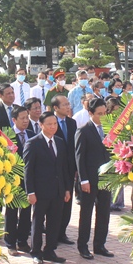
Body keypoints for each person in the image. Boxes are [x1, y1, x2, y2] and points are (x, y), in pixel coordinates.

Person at [23, 112, 73, 264]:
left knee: (55, 222)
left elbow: (63, 168)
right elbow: (28, 170)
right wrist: (30, 192)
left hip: (57, 191)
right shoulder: (33, 143)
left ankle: (50, 250)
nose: (53, 127)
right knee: (38, 222)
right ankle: (36, 252)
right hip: (40, 191)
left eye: (55, 124)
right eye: (49, 124)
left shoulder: (59, 142)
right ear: (41, 125)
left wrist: (66, 189)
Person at [75, 99, 114, 260]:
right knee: (86, 214)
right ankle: (83, 246)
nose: (103, 116)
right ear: (90, 113)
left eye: (105, 113)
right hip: (89, 180)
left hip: (106, 179)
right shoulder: (83, 131)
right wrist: (83, 180)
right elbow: (79, 157)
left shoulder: (109, 129)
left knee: (104, 212)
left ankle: (100, 245)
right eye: (99, 114)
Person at [5, 106, 34, 254]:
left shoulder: (31, 133)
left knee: (26, 211)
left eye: (27, 117)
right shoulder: (8, 136)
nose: (25, 121)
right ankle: (10, 243)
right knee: (12, 211)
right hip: (13, 179)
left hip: (29, 179)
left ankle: (22, 241)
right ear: (14, 120)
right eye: (22, 118)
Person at [50, 95, 77, 245]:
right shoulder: (50, 122)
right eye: (64, 104)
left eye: (68, 104)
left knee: (68, 200)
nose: (68, 107)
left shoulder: (72, 123)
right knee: (55, 202)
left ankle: (62, 232)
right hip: (54, 168)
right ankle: (52, 231)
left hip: (69, 168)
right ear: (56, 108)